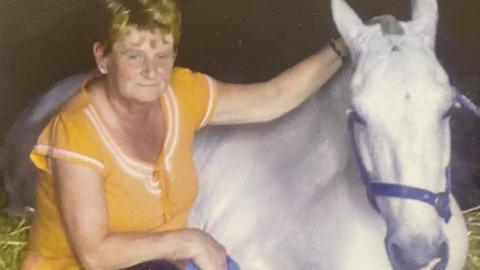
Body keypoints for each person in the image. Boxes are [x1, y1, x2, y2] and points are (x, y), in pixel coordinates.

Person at [21, 0, 348, 269]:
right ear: (103, 57)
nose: (151, 71)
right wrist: (187, 240)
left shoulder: (181, 91)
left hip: (161, 261)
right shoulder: (76, 128)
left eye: (162, 56)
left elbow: (272, 98)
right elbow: (95, 255)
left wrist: (342, 47)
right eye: (134, 55)